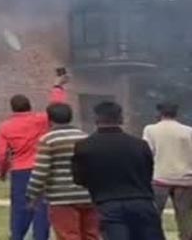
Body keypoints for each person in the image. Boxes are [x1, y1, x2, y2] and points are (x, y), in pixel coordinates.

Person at [71, 101, 165, 240]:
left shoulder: (84, 146)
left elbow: (79, 179)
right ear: (121, 118)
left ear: (96, 119)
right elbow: (148, 173)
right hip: (142, 201)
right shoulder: (140, 145)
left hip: (107, 203)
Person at [0, 73, 70, 240]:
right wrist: (58, 86)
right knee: (42, 208)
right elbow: (56, 106)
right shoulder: (40, 120)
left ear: (13, 109)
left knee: (19, 208)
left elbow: (1, 154)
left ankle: (17, 236)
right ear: (29, 106)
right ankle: (40, 237)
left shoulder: (5, 126)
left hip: (20, 170)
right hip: (42, 168)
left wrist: (2, 171)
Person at [25, 103, 99, 240]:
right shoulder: (86, 137)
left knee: (69, 235)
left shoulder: (48, 139)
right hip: (88, 195)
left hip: (61, 197)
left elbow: (41, 171)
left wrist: (32, 195)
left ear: (49, 119)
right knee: (91, 235)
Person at [143, 101, 192, 240]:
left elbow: (147, 152)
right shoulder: (188, 131)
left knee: (154, 216)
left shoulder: (151, 129)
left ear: (159, 113)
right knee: (185, 218)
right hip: (185, 179)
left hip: (160, 178)